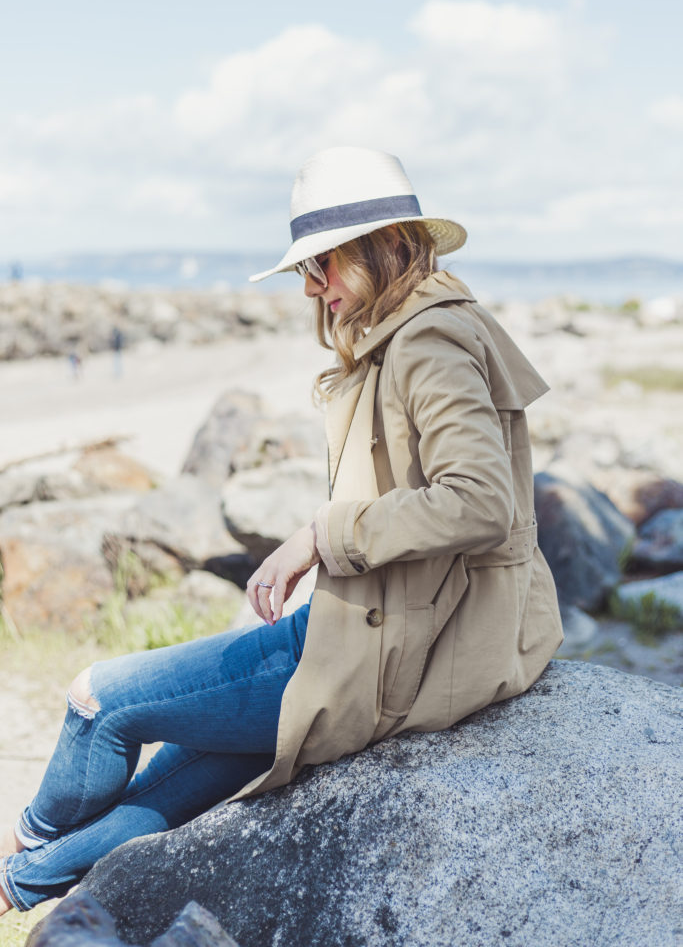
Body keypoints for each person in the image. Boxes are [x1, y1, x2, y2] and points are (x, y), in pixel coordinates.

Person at [0, 146, 563, 914]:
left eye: (323, 264)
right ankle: (15, 889)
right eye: (306, 269)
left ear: (382, 245)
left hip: (393, 649)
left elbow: (477, 500)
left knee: (97, 698)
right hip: (388, 624)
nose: (311, 285)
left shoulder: (429, 340)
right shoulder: (415, 325)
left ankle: (25, 845)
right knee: (194, 769)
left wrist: (316, 535)